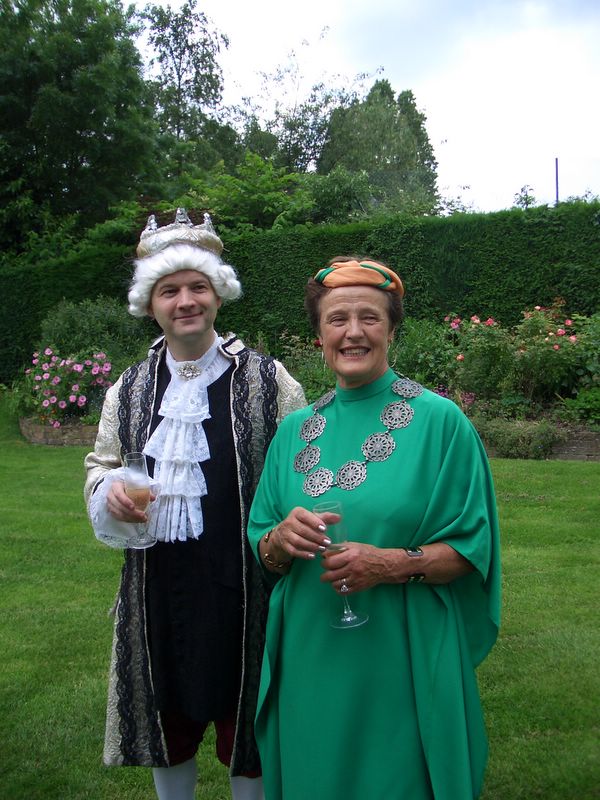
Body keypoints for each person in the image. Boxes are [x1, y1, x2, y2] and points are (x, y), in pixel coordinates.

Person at [247, 257, 501, 800]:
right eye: (337, 319)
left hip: (401, 652)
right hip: (311, 652)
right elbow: (264, 550)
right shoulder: (292, 431)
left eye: (370, 317)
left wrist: (387, 564)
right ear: (319, 336)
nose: (353, 332)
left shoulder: (441, 423)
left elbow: (471, 549)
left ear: (391, 329)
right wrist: (280, 540)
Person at [84, 209, 306, 800]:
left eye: (198, 287)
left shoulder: (269, 381)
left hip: (245, 582)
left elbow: (302, 465)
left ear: (218, 294)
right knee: (168, 719)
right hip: (159, 583)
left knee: (248, 717)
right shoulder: (128, 388)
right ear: (150, 303)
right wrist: (108, 493)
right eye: (170, 290)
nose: (186, 301)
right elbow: (101, 465)